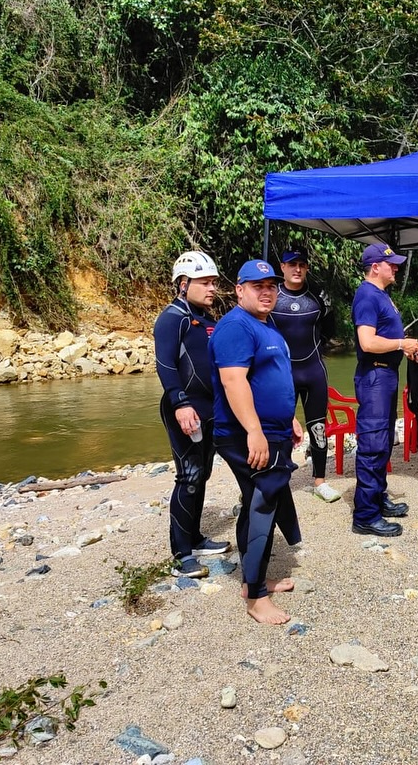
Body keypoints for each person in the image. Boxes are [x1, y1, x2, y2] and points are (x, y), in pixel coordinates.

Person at [210, 259, 304, 624]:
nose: (267, 292)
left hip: (271, 430)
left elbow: (272, 377)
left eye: (271, 286)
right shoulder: (235, 326)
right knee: (263, 503)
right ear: (239, 290)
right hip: (246, 435)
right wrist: (254, 431)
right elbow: (234, 382)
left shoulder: (266, 324)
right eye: (257, 286)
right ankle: (256, 598)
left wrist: (290, 419)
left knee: (257, 501)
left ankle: (255, 581)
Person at [153, 250, 231, 580]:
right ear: (183, 284)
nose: (212, 288)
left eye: (214, 282)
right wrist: (180, 403)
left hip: (209, 409)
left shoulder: (206, 320)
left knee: (202, 474)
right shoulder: (172, 318)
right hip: (184, 408)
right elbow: (166, 364)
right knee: (188, 475)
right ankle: (180, 554)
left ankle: (195, 538)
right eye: (205, 282)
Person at [350, 242, 418, 537]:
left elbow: (384, 337)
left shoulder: (380, 296)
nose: (396, 268)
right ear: (375, 266)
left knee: (384, 441)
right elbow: (367, 342)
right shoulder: (367, 295)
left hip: (386, 374)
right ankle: (366, 515)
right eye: (390, 264)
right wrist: (401, 344)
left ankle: (377, 498)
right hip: (375, 377)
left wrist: (405, 348)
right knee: (372, 443)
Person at [271, 250, 341, 503]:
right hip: (282, 374)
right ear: (283, 267)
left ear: (307, 268)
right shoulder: (271, 296)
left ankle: (320, 481)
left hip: (313, 370)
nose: (297, 269)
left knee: (318, 428)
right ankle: (277, 481)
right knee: (279, 429)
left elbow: (330, 328)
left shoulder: (318, 296)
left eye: (301, 265)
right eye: (292, 265)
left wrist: (319, 347)